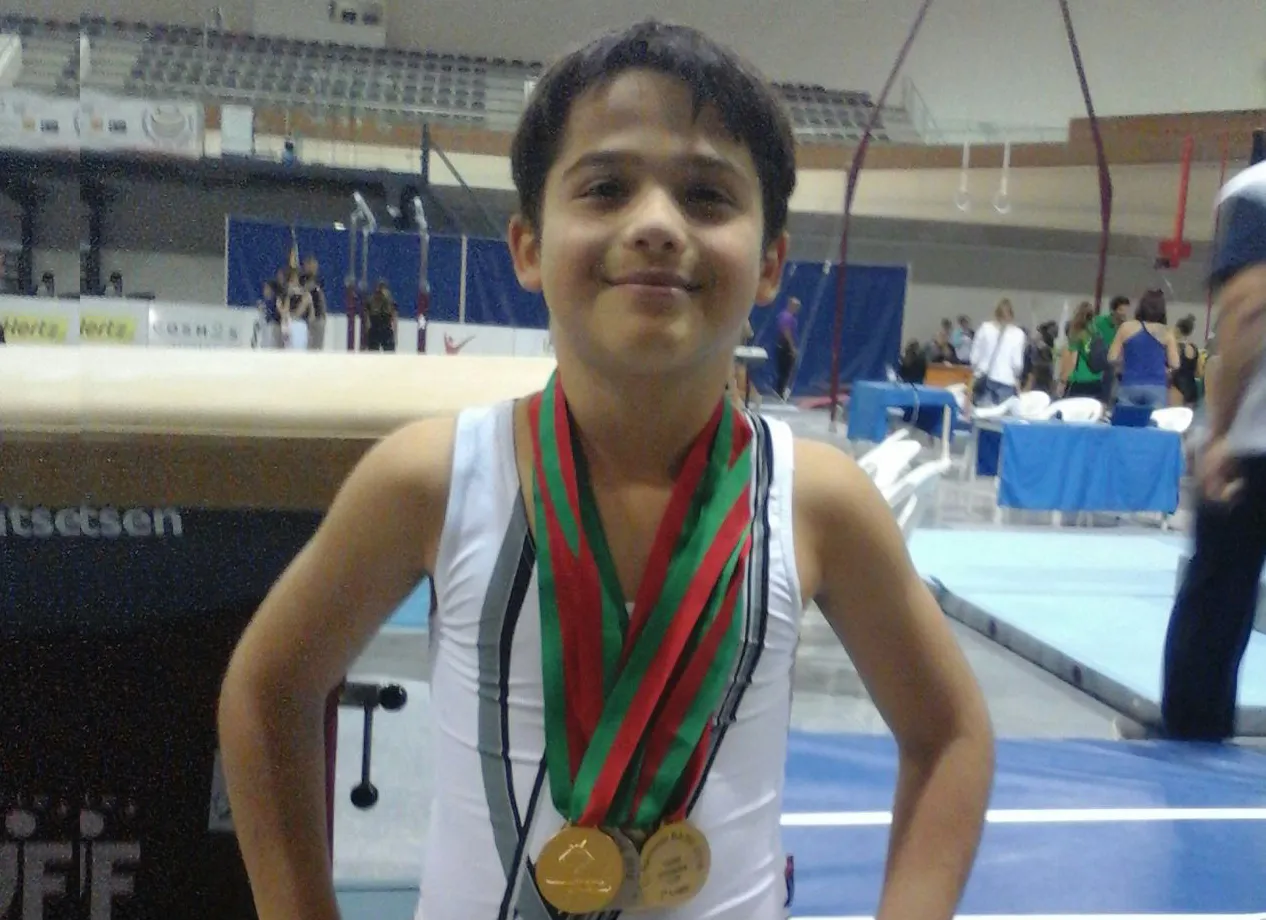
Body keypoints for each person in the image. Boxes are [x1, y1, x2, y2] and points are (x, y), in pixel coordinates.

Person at [217, 21, 994, 920]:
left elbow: (951, 734)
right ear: (528, 246)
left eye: (706, 196)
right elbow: (267, 693)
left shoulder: (817, 505)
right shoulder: (429, 482)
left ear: (772, 262)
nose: (657, 224)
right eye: (606, 188)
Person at [1130, 158, 1266, 742]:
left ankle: (1191, 735)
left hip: (1257, 446)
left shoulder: (1258, 191)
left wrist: (1221, 433)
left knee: (1218, 592)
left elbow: (1249, 308)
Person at [1107, 288, 1179, 409]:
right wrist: (1165, 369)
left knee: (1126, 419)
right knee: (1154, 420)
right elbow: (1175, 364)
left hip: (1130, 383)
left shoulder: (1126, 327)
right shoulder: (1166, 332)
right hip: (1156, 386)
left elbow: (1111, 357)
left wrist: (1125, 364)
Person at [968, 298, 1027, 406]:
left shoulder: (984, 328)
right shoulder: (1018, 334)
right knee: (1003, 414)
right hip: (1007, 381)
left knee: (983, 413)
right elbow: (1017, 364)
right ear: (1012, 315)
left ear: (995, 313)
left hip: (984, 380)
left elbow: (974, 359)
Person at [771, 295, 800, 400]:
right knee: (785, 370)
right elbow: (786, 332)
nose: (797, 309)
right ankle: (780, 391)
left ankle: (780, 390)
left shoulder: (784, 316)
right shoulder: (787, 317)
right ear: (790, 305)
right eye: (796, 306)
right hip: (785, 346)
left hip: (782, 345)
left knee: (784, 370)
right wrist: (792, 347)